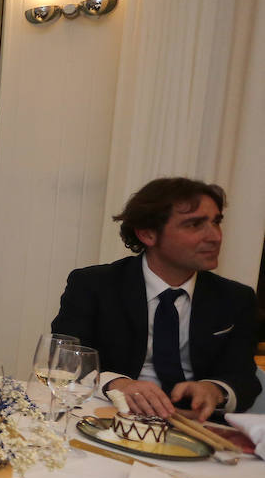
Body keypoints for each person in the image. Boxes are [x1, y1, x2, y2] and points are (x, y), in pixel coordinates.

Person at [50, 177, 260, 420]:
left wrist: (214, 390)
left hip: (195, 427)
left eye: (216, 222)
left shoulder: (236, 298)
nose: (215, 237)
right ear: (148, 234)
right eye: (194, 225)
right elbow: (64, 359)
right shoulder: (94, 284)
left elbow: (244, 379)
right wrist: (119, 385)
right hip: (109, 416)